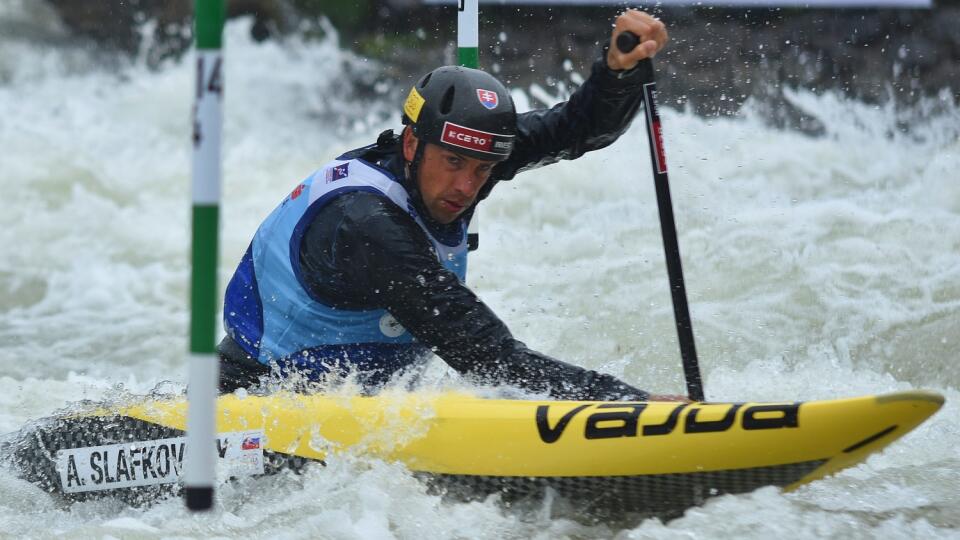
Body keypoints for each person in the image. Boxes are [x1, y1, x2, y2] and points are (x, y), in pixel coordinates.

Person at [218, 10, 686, 402]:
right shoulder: (366, 223)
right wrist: (626, 402)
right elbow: (486, 357)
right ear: (410, 145)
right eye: (454, 162)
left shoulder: (463, 160)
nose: (466, 186)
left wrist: (618, 73)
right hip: (256, 404)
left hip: (356, 404)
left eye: (483, 170)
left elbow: (578, 130)